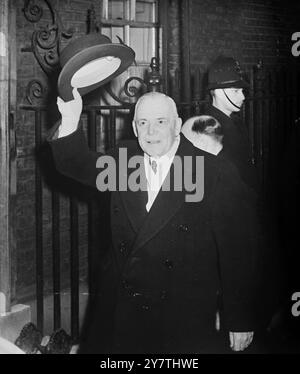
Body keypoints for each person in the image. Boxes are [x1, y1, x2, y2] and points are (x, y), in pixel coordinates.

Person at [48, 88, 263, 354]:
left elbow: (238, 250)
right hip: (122, 309)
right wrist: (70, 118)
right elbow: (75, 164)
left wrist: (239, 317)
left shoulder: (212, 171)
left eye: (160, 122)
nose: (151, 132)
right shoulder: (123, 163)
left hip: (181, 315)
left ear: (176, 127)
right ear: (135, 130)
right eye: (143, 123)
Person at [204, 56, 258, 192]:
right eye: (235, 91)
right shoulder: (208, 129)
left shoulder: (236, 121)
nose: (243, 97)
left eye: (242, 91)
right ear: (217, 92)